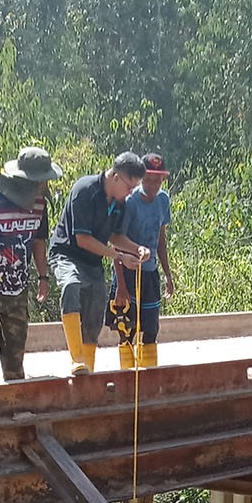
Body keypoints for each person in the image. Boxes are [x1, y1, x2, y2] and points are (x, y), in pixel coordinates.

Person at [0, 146, 61, 387]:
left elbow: (38, 240)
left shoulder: (39, 204)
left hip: (18, 287)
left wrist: (43, 277)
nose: (43, 186)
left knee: (15, 349)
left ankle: (14, 393)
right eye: (39, 181)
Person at [48, 151, 149, 375]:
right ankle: (76, 359)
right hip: (67, 254)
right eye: (129, 187)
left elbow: (114, 236)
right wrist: (119, 257)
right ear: (115, 178)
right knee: (71, 286)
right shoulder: (85, 190)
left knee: (96, 306)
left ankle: (88, 369)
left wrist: (136, 248)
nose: (130, 193)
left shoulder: (119, 202)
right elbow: (82, 239)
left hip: (93, 261)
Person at [110, 153, 175, 369]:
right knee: (126, 327)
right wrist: (120, 285)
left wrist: (167, 274)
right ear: (141, 178)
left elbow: (161, 240)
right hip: (128, 273)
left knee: (150, 327)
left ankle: (149, 376)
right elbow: (115, 244)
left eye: (157, 180)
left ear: (162, 180)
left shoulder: (163, 200)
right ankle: (127, 377)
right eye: (148, 179)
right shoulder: (129, 203)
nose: (153, 185)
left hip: (150, 272)